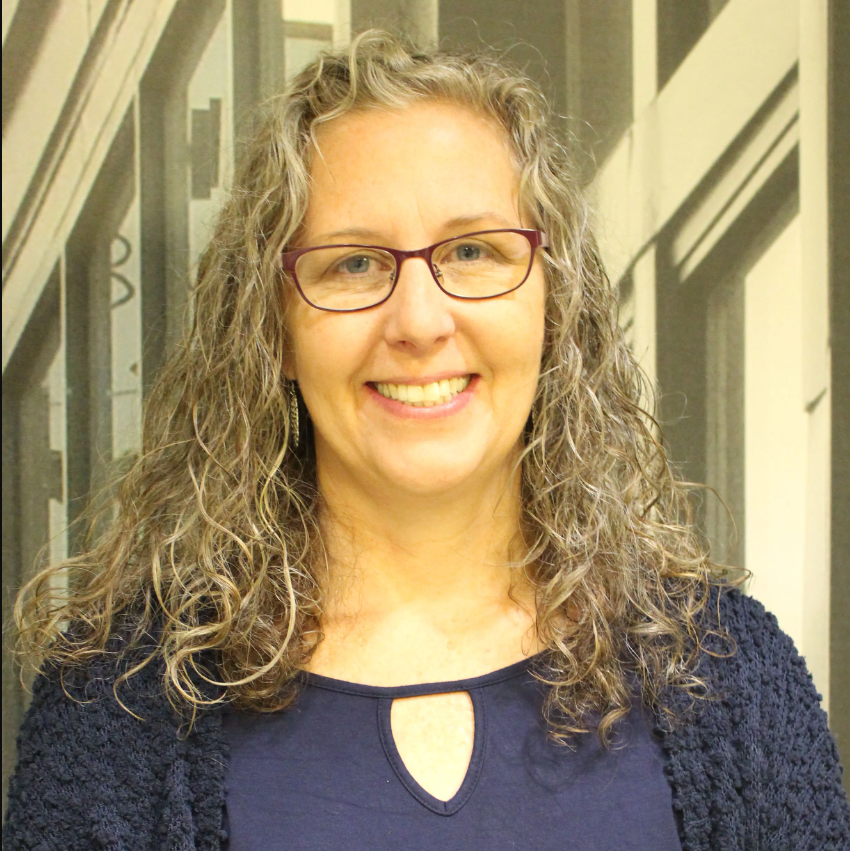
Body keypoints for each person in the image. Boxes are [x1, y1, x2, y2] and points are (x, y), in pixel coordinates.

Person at [3, 30, 849, 851]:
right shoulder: (120, 704)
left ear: (553, 309)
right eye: (354, 264)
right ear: (274, 330)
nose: (418, 320)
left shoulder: (727, 678)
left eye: (474, 250)